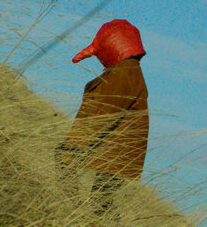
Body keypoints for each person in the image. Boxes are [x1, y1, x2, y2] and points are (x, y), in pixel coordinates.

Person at [56, 19, 150, 212]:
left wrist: (78, 142)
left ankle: (71, 210)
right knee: (102, 203)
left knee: (99, 202)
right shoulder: (128, 70)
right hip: (117, 154)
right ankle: (78, 216)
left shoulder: (123, 73)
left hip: (115, 153)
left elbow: (106, 111)